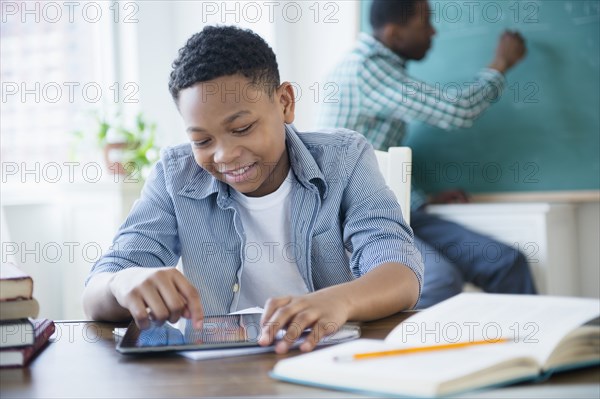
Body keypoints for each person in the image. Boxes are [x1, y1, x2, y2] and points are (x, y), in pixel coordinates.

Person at [82, 25, 423, 354]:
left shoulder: (345, 159)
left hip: (327, 359)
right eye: (201, 140)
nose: (224, 154)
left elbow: (400, 272)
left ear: (285, 102)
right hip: (221, 370)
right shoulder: (176, 176)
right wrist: (121, 283)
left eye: (242, 128)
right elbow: (97, 290)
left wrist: (341, 300)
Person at [318, 0, 537, 308]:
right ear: (394, 33)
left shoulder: (381, 68)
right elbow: (457, 111)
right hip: (355, 219)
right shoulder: (367, 68)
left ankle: (531, 352)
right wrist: (501, 63)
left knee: (506, 262)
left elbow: (376, 159)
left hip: (401, 210)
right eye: (425, 23)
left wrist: (421, 198)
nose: (434, 32)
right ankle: (391, 350)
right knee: (439, 279)